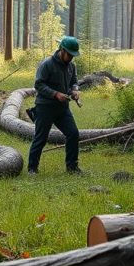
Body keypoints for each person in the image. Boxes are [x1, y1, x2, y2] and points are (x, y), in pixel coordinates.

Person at [27, 36, 83, 175]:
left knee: (73, 133)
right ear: (62, 50)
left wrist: (75, 90)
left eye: (73, 55)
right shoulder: (47, 64)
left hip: (62, 108)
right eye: (69, 54)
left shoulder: (71, 66)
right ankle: (32, 169)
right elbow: (38, 84)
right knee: (41, 138)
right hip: (45, 107)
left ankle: (72, 168)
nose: (71, 58)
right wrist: (55, 94)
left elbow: (74, 82)